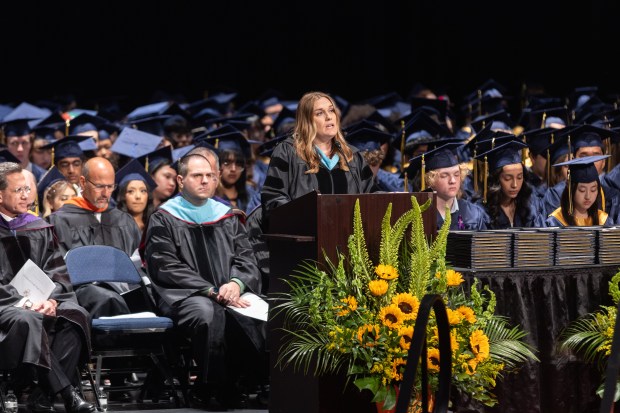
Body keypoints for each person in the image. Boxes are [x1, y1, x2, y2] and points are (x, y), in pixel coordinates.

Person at [144, 153, 267, 409]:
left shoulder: (227, 216)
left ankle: (246, 385)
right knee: (208, 313)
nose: (205, 181)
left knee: (258, 314)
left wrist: (236, 284)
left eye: (210, 175)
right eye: (197, 175)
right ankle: (211, 388)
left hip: (230, 291)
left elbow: (246, 258)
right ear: (180, 180)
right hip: (185, 295)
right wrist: (210, 290)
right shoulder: (164, 217)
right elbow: (165, 266)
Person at [0, 161, 95, 413]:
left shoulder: (37, 227)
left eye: (27, 189)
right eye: (18, 190)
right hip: (6, 308)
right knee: (29, 319)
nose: (26, 195)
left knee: (76, 315)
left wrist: (51, 300)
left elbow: (56, 271)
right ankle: (67, 394)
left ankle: (42, 393)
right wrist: (27, 303)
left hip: (41, 303)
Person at [47, 156, 142, 318]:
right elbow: (58, 268)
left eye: (110, 186)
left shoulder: (123, 220)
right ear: (83, 183)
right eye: (99, 186)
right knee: (108, 299)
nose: (106, 193)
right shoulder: (61, 220)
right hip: (83, 289)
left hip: (125, 287)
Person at [261, 91, 377, 218]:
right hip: (306, 235)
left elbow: (372, 197)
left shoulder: (352, 156)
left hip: (349, 236)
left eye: (331, 110)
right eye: (320, 113)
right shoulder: (288, 152)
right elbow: (273, 199)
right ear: (306, 120)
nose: (329, 116)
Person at [407, 142, 488, 230]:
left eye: (456, 174)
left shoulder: (473, 214)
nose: (452, 181)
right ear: (430, 180)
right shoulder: (417, 215)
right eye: (444, 175)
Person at [474, 140, 544, 228]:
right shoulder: (481, 212)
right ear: (496, 180)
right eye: (508, 178)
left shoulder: (530, 206)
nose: (515, 185)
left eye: (519, 177)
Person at [546, 155, 615, 227]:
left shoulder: (604, 220)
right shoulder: (556, 221)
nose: (588, 196)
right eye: (582, 190)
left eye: (593, 190)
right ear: (571, 189)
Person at [114, 158, 157, 235]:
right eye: (131, 191)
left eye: (143, 191)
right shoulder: (114, 229)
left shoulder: (155, 227)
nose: (138, 196)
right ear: (122, 196)